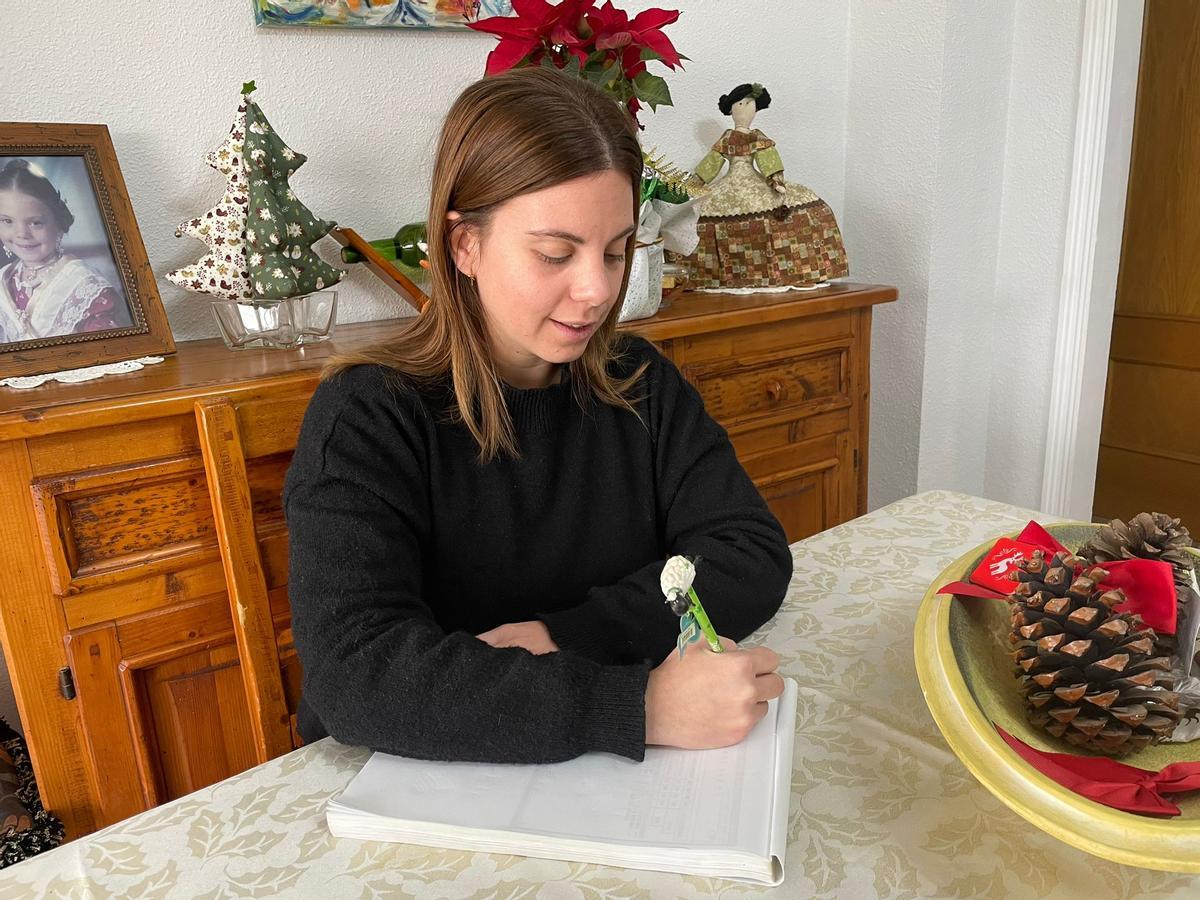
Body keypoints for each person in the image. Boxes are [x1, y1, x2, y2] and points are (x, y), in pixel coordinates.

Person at [283, 67, 792, 765]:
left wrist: (568, 635)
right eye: (556, 253)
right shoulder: (368, 415)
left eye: (616, 251)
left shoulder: (641, 382)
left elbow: (750, 552)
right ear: (464, 245)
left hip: (601, 775)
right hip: (412, 782)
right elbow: (356, 674)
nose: (597, 290)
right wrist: (637, 705)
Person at [673, 82, 849, 290]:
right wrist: (694, 184)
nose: (744, 108)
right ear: (731, 109)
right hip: (731, 181)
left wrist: (775, 180)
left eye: (749, 104)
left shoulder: (758, 138)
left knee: (792, 205)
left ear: (756, 109)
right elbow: (712, 162)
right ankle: (702, 275)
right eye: (740, 104)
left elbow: (767, 160)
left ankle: (794, 269)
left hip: (753, 178)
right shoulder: (726, 139)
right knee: (702, 209)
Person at [0, 159, 132, 343]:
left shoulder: (83, 284)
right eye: (7, 221)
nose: (21, 234)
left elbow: (108, 348)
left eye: (35, 223)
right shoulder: (4, 278)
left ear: (59, 224)